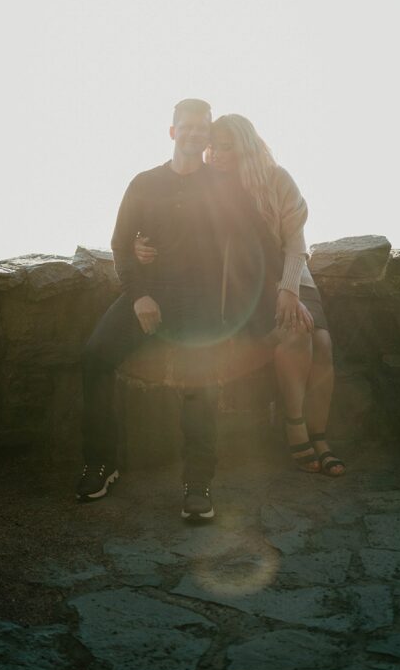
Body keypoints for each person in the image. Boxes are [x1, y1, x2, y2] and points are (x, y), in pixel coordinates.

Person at [77, 98, 281, 520]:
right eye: (185, 127)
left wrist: (273, 291)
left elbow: (260, 240)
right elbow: (120, 245)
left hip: (202, 301)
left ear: (207, 136)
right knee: (95, 356)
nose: (192, 134)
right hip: (149, 295)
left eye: (200, 128)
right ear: (172, 132)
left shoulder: (223, 186)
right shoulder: (144, 183)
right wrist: (138, 295)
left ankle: (198, 484)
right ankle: (102, 463)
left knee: (200, 382)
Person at [136, 113, 346, 477]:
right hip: (245, 288)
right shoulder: (207, 188)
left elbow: (296, 242)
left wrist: (288, 289)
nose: (215, 154)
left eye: (226, 147)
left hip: (293, 277)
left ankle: (320, 436)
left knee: (323, 343)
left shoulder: (277, 180)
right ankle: (295, 426)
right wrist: (139, 243)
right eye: (213, 147)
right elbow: (173, 224)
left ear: (245, 147)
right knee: (297, 335)